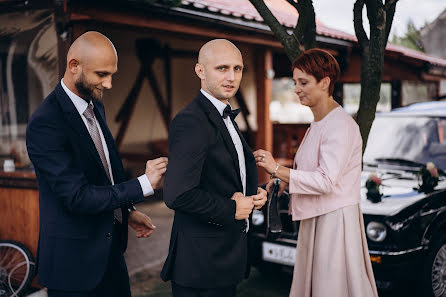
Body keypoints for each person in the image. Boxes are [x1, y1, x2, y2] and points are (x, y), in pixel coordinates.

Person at [26, 31, 168, 297]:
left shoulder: (96, 105)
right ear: (74, 65)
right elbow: (77, 196)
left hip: (110, 252)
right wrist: (143, 184)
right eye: (102, 74)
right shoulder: (46, 123)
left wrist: (127, 210)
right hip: (73, 267)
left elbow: (105, 171)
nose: (109, 84)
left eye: (111, 74)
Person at [254, 48, 379, 297]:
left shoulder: (340, 125)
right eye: (295, 83)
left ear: (324, 83)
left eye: (303, 82)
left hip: (334, 223)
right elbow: (310, 172)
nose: (297, 89)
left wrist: (278, 168)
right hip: (316, 217)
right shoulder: (319, 123)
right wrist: (281, 181)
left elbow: (325, 181)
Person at [160, 39, 267, 297]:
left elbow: (223, 178)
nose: (232, 77)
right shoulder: (191, 122)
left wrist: (256, 195)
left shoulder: (225, 114)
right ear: (200, 71)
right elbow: (177, 194)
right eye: (222, 68)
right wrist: (232, 208)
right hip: (201, 265)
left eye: (238, 69)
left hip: (224, 259)